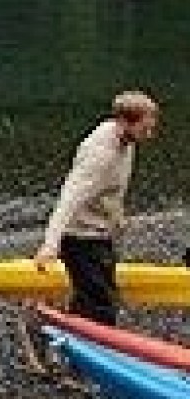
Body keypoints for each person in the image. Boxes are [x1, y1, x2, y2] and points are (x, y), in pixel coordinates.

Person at [34, 91, 159, 326]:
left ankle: (71, 330)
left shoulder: (126, 140)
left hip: (100, 234)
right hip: (80, 237)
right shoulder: (100, 155)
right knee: (99, 306)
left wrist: (117, 218)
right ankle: (70, 336)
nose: (149, 135)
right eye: (145, 129)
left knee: (101, 298)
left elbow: (111, 190)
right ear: (124, 122)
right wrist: (50, 245)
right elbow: (68, 199)